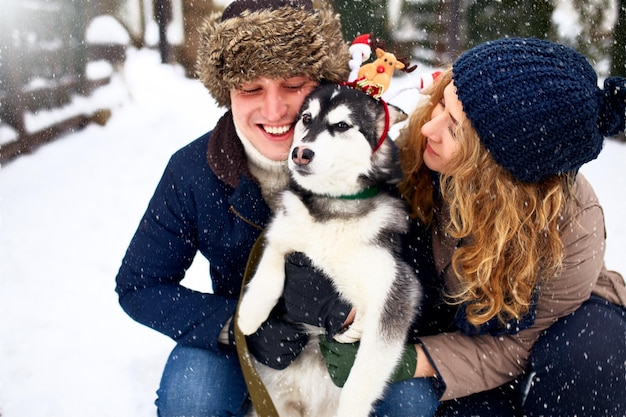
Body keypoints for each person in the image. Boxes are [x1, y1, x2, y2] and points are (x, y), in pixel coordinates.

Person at [283, 37, 626, 416]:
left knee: (594, 353)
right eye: (442, 104)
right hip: (455, 332)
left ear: (499, 170)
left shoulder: (573, 228)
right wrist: (336, 305)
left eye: (456, 130)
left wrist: (411, 361)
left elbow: (516, 344)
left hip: (542, 335)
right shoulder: (415, 154)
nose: (430, 127)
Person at [114, 0, 352, 416]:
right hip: (240, 335)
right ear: (226, 93)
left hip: (346, 339)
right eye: (251, 88)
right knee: (190, 394)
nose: (275, 111)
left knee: (408, 398)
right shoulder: (193, 170)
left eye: (293, 85)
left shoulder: (370, 157)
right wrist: (238, 326)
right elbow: (140, 284)